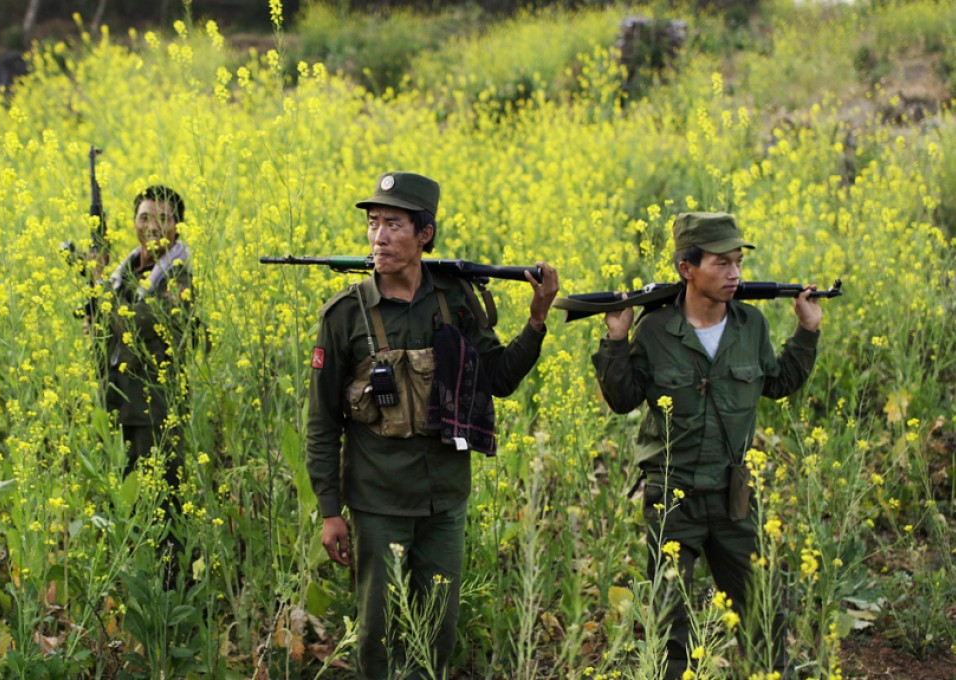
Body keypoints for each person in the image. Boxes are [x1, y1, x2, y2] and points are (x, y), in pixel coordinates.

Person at [306, 171, 559, 679]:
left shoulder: (455, 300)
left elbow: (497, 379)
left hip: (445, 499)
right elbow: (321, 421)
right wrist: (331, 511)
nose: (379, 237)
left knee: (437, 632)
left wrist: (536, 319)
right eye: (374, 224)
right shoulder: (344, 316)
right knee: (377, 635)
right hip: (378, 502)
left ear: (425, 234)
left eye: (394, 225)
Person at [592, 212, 822, 679]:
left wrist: (807, 331)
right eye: (721, 263)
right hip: (672, 497)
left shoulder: (750, 325)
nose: (734, 273)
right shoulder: (656, 330)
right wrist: (616, 339)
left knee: (762, 613)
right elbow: (622, 399)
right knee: (670, 623)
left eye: (738, 262)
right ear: (686, 269)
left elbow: (777, 383)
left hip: (733, 496)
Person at [101, 185, 195, 496]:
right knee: (122, 502)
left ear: (176, 226)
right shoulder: (123, 272)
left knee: (160, 503)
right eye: (144, 217)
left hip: (155, 411)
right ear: (134, 222)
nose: (152, 226)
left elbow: (148, 318)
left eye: (164, 218)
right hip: (116, 405)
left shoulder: (179, 274)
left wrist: (101, 299)